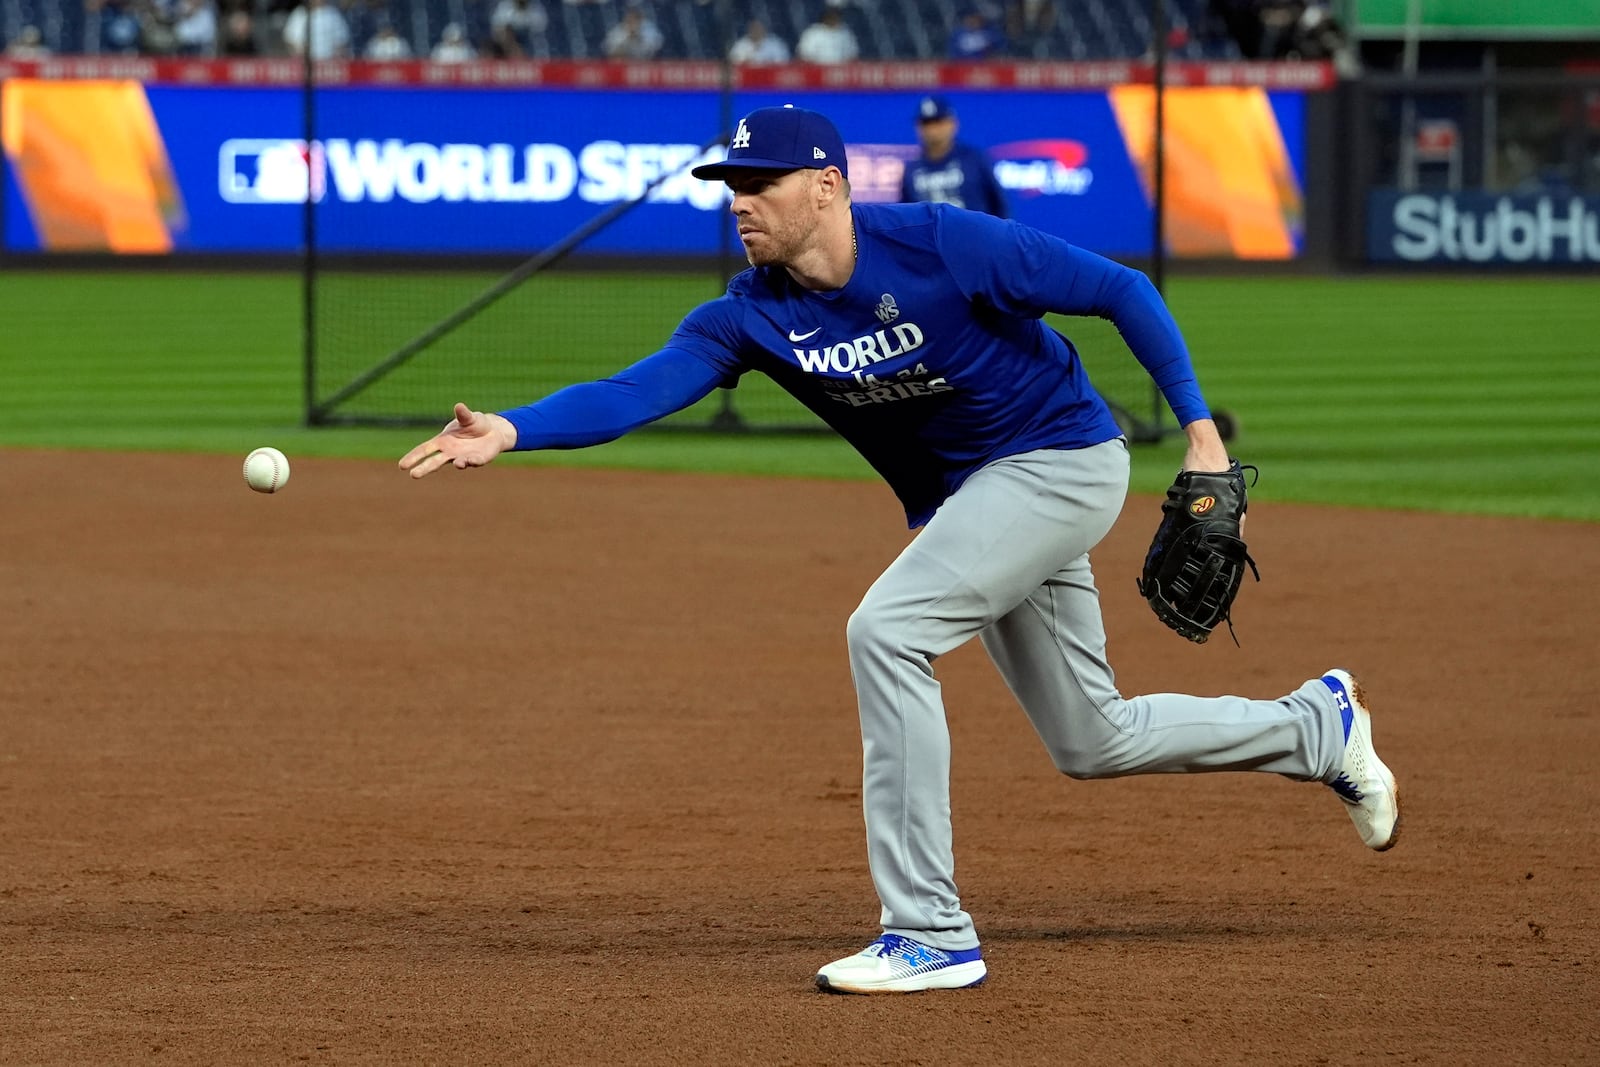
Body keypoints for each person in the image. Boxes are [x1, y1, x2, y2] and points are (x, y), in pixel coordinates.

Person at [398, 104, 1401, 995]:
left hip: (1059, 460)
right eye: (728, 186)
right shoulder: (749, 314)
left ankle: (928, 929)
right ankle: (1317, 725)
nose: (737, 203)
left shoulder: (942, 245)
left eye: (758, 184)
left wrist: (1199, 432)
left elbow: (1121, 289)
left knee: (886, 629)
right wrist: (514, 428)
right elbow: (634, 390)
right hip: (980, 502)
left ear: (827, 185)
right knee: (1092, 737)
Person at [899, 95, 1009, 218]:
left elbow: (999, 204)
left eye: (938, 122)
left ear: (953, 123)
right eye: (926, 124)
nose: (932, 130)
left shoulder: (974, 160)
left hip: (973, 235)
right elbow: (906, 216)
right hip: (931, 236)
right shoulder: (912, 169)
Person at [282, 0, 350, 59]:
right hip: (304, 64)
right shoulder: (299, 13)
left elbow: (342, 43)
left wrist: (335, 58)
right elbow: (290, 41)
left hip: (329, 64)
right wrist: (299, 54)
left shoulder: (333, 14)